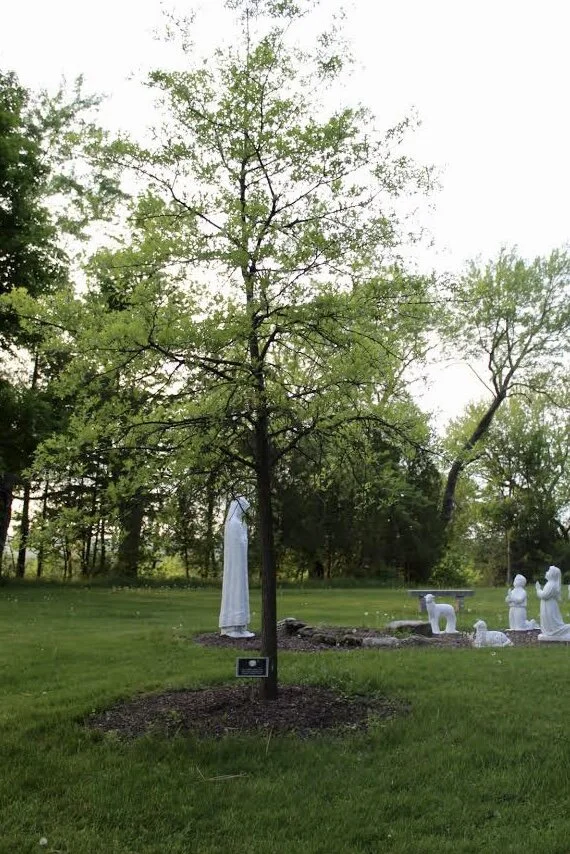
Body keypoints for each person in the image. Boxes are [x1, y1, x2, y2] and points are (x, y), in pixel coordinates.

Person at [219, 496, 254, 638]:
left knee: (241, 591)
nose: (244, 512)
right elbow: (235, 545)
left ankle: (240, 625)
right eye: (243, 509)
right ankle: (232, 625)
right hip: (235, 566)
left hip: (240, 565)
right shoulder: (233, 523)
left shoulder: (239, 523)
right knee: (235, 590)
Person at [535, 565, 570, 640]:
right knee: (548, 619)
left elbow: (545, 595)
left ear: (552, 575)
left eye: (548, 571)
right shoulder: (550, 583)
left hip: (549, 606)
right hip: (547, 605)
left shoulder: (551, 584)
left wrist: (538, 589)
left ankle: (553, 631)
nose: (546, 572)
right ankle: (550, 630)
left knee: (552, 620)